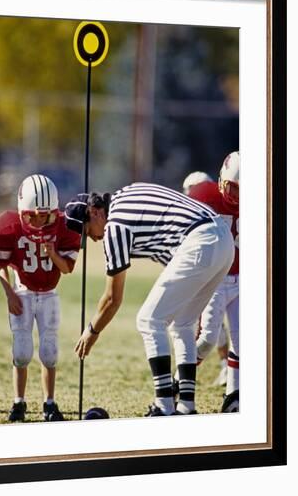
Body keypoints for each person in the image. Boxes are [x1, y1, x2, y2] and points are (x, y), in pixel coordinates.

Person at [65, 182, 234, 416]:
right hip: (224, 238)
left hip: (199, 241)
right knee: (183, 324)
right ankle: (186, 406)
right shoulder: (126, 192)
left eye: (86, 231)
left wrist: (92, 331)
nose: (93, 239)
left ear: (94, 212)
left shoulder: (114, 227)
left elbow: (113, 298)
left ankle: (164, 406)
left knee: (148, 320)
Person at [0, 174, 81, 422]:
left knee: (49, 352)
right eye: (33, 215)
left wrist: (53, 253)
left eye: (44, 215)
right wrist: (10, 294)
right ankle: (19, 402)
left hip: (49, 293)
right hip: (24, 292)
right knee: (22, 352)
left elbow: (67, 268)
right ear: (21, 210)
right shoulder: (8, 226)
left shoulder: (63, 226)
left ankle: (49, 403)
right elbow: (0, 266)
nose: (38, 220)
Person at [187, 152, 240, 412]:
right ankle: (180, 379)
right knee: (207, 338)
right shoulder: (205, 196)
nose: (236, 195)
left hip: (243, 279)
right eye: (232, 187)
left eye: (242, 189)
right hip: (217, 278)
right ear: (221, 180)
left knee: (243, 341)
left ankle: (234, 396)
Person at [182, 170, 230, 388]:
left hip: (217, 276)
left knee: (209, 330)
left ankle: (183, 378)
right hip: (207, 275)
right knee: (211, 328)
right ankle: (224, 367)